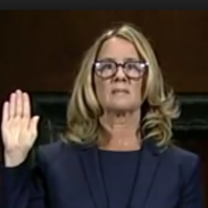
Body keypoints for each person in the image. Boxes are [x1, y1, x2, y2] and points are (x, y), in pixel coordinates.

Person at [0, 23, 204, 208]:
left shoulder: (181, 168)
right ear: (91, 81)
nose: (120, 75)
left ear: (148, 81)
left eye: (132, 66)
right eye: (107, 66)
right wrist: (15, 159)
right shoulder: (54, 163)